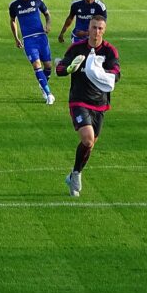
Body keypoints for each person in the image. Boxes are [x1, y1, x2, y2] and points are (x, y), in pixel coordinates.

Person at [55, 16, 120, 197]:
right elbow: (60, 69)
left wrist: (101, 72)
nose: (96, 32)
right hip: (79, 100)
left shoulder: (109, 51)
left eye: (100, 28)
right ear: (88, 28)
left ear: (104, 30)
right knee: (88, 139)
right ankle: (77, 176)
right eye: (94, 28)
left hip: (99, 103)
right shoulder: (77, 48)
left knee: (89, 146)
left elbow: (116, 72)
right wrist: (68, 69)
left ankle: (75, 173)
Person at [9, 0, 55, 105]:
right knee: (36, 64)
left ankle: (43, 83)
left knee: (49, 66)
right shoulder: (14, 5)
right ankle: (48, 93)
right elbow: (13, 21)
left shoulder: (37, 0)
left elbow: (47, 14)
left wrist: (48, 25)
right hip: (29, 40)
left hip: (41, 37)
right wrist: (16, 38)